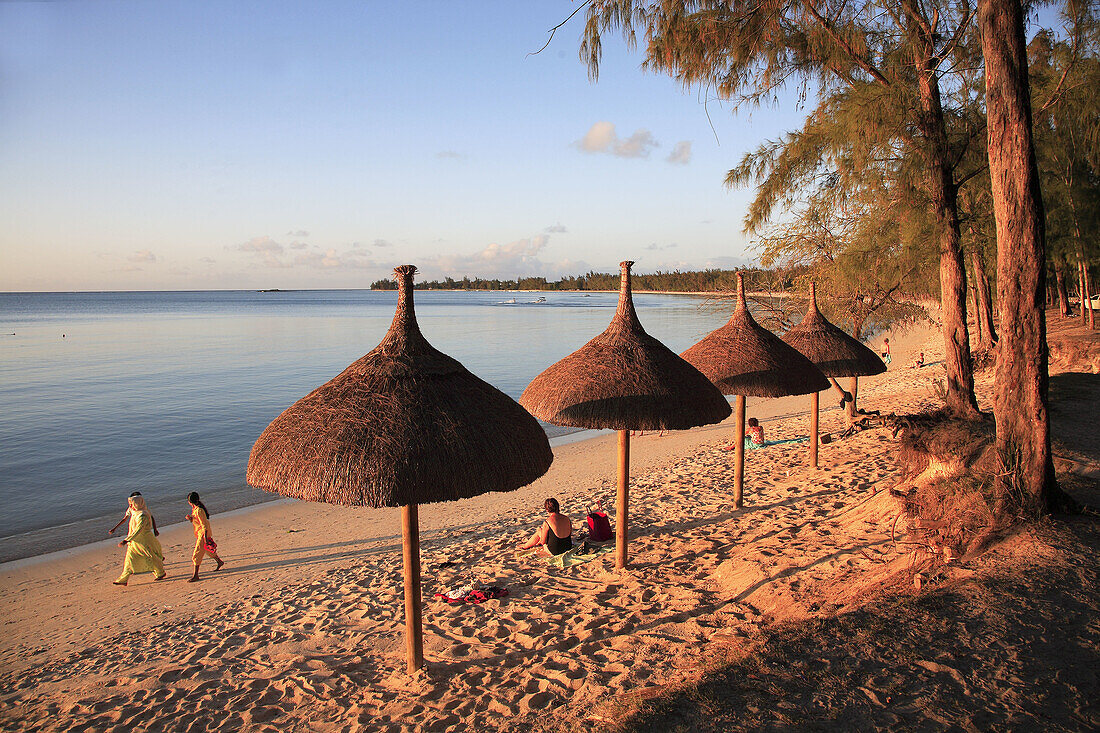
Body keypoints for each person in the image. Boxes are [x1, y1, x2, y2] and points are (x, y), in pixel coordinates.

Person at [113, 493, 166, 585]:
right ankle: (123, 579)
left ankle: (160, 572)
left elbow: (138, 530)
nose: (130, 506)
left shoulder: (142, 515)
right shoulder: (135, 512)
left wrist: (126, 540)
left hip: (144, 540)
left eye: (132, 504)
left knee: (150, 556)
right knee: (129, 559)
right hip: (134, 541)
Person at [186, 492, 224, 582]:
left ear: (189, 502)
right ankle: (219, 561)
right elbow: (199, 522)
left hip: (203, 534)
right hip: (201, 533)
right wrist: (191, 519)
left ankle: (196, 575)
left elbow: (204, 525)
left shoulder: (199, 510)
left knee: (197, 554)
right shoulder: (196, 510)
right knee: (207, 550)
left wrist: (205, 538)